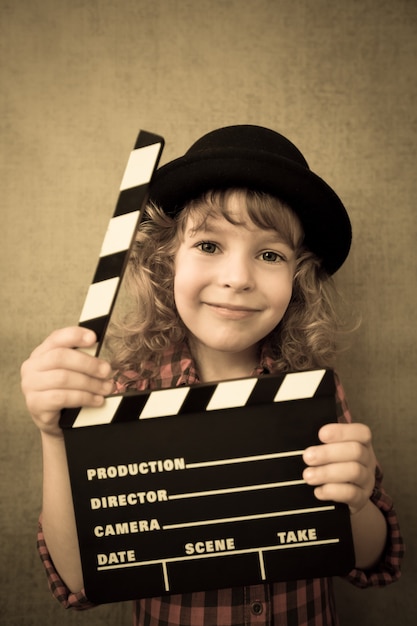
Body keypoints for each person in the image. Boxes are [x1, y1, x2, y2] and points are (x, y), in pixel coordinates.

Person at [21, 125, 403, 625]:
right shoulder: (117, 394)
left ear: (297, 279)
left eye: (270, 255)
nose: (238, 277)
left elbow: (370, 559)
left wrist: (355, 502)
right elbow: (79, 581)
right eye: (208, 245)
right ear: (165, 261)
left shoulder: (312, 392)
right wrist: (54, 435)